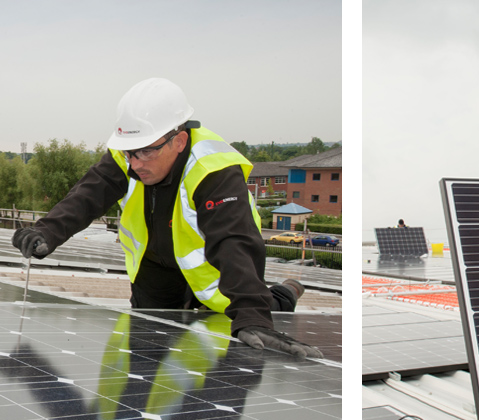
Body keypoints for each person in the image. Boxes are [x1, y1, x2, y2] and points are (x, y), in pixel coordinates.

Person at [11, 77, 320, 359]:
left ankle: (285, 292)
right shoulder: (130, 152)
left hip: (214, 270)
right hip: (154, 269)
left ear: (179, 141)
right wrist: (46, 231)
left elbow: (233, 239)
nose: (134, 163)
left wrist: (253, 315)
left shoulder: (214, 169)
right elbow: (89, 194)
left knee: (248, 316)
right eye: (129, 153)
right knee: (146, 347)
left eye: (145, 152)